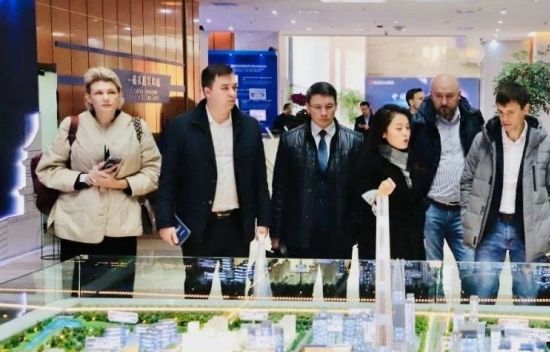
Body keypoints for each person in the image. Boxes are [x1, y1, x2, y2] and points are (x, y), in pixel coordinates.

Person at [36, 67, 161, 296]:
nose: (105, 98)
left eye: (111, 92)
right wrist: (85, 178)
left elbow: (153, 172)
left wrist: (122, 184)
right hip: (77, 224)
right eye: (99, 92)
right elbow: (47, 169)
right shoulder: (72, 125)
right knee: (80, 296)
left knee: (119, 294)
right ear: (89, 98)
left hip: (121, 225)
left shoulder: (137, 127)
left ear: (119, 96)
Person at [156, 64, 270, 299]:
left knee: (236, 291)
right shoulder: (182, 127)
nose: (232, 93)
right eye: (224, 88)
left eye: (234, 87)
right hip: (199, 225)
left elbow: (259, 178)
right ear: (207, 91)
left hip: (237, 225)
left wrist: (263, 220)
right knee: (197, 290)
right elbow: (168, 178)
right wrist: (165, 221)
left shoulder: (249, 126)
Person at [461, 82, 550, 301]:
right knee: (483, 292)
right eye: (500, 112)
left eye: (510, 112)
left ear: (526, 109)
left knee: (527, 294)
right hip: (490, 227)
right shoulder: (484, 140)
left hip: (528, 230)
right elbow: (467, 179)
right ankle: (483, 323)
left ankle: (523, 325)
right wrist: (468, 214)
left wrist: (549, 224)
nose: (505, 118)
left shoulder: (546, 144)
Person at [408, 74, 484, 297]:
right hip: (431, 209)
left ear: (459, 95)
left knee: (471, 273)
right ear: (430, 96)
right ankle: (434, 314)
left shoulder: (473, 119)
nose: (443, 102)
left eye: (449, 96)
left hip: (464, 211)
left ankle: (470, 314)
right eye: (438, 96)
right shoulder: (419, 123)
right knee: (432, 276)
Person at [271, 82, 364, 259]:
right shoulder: (290, 140)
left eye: (329, 106)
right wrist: (275, 232)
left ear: (336, 105)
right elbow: (280, 188)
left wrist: (359, 230)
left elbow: (359, 191)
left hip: (340, 230)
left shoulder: (354, 141)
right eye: (317, 107)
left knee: (338, 276)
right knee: (298, 276)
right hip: (299, 229)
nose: (324, 112)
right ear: (307, 107)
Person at [353, 104, 425, 261]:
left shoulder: (414, 159)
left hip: (413, 244)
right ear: (383, 132)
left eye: (407, 127)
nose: (405, 133)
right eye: (399, 128)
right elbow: (359, 206)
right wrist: (379, 196)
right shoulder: (369, 161)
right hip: (383, 245)